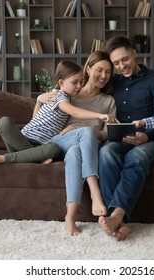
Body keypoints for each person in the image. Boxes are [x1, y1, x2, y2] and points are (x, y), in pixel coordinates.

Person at [36, 51, 117, 236]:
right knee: (75, 144)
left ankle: (70, 216)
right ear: (88, 69)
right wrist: (39, 99)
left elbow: (107, 134)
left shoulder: (108, 101)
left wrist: (90, 132)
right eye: (99, 70)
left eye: (108, 72)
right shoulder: (70, 93)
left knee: (76, 151)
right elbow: (40, 120)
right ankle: (95, 192)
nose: (103, 76)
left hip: (88, 144)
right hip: (63, 141)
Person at [0, 60, 115, 167]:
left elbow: (39, 117)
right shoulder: (58, 96)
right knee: (4, 121)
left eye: (81, 82)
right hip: (24, 139)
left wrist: (39, 101)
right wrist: (98, 115)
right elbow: (72, 112)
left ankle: (24, 157)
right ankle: (14, 158)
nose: (79, 86)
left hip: (41, 146)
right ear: (61, 82)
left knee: (54, 149)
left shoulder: (66, 97)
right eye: (75, 82)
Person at [98, 36, 154, 241]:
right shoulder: (112, 81)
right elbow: (84, 87)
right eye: (116, 63)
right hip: (119, 138)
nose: (121, 66)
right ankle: (119, 223)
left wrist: (146, 136)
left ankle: (116, 216)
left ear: (134, 53)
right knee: (105, 152)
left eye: (125, 59)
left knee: (136, 157)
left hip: (149, 139)